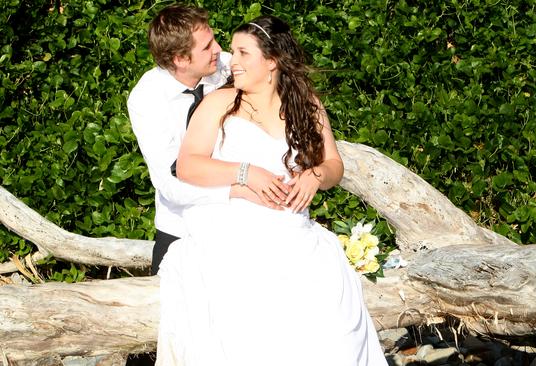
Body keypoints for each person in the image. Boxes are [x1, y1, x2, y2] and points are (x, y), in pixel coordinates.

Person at [156, 15, 388, 366]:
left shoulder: (306, 104)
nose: (231, 61)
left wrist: (315, 176)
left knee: (331, 315)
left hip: (292, 227)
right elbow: (188, 166)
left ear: (272, 61)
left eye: (242, 53)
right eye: (232, 52)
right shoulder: (219, 103)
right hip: (230, 229)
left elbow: (334, 165)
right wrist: (245, 173)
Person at [128, 5, 280, 275]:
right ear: (180, 59)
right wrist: (239, 187)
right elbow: (168, 183)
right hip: (180, 227)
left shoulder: (225, 66)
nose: (220, 50)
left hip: (244, 222)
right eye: (207, 46)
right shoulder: (147, 99)